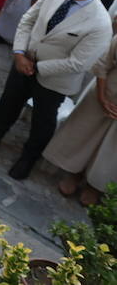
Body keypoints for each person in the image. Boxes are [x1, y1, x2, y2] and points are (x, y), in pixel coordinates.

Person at [0, 0, 113, 180]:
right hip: (23, 61)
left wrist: (35, 68)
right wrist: (19, 52)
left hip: (54, 81)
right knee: (8, 103)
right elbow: (28, 20)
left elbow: (78, 63)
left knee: (42, 121)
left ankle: (28, 157)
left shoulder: (99, 24)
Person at [44, 22, 117, 205]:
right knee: (84, 132)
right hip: (105, 90)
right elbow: (103, 64)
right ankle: (74, 172)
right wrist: (102, 98)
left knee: (112, 148)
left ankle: (94, 185)